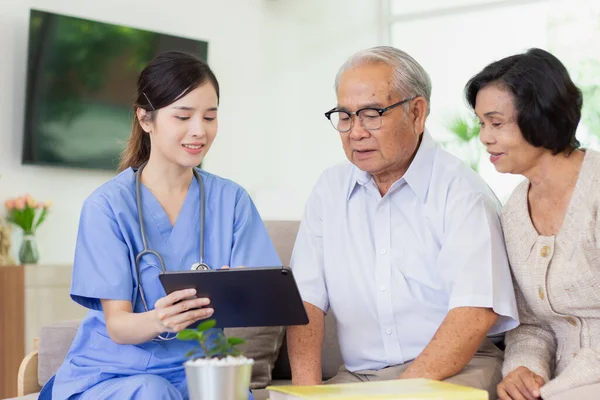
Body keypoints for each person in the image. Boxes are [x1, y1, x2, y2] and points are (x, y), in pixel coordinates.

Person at [38, 51, 280, 399]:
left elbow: (264, 296)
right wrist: (161, 319)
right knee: (152, 392)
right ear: (145, 118)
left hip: (199, 369)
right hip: (116, 372)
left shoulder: (232, 200)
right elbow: (118, 326)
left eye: (210, 117)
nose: (199, 131)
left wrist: (239, 291)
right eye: (183, 116)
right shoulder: (108, 207)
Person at [286, 46, 519, 400]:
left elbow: (475, 312)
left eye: (371, 113)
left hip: (455, 370)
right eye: (345, 116)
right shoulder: (329, 190)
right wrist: (305, 394)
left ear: (417, 112)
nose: (355, 132)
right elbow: (305, 302)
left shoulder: (462, 192)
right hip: (359, 377)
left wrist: (400, 393)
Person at [465, 48, 600, 400]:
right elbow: (531, 325)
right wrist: (525, 370)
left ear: (540, 115)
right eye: (481, 123)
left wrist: (560, 389)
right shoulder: (513, 212)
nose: (484, 137)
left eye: (496, 123)